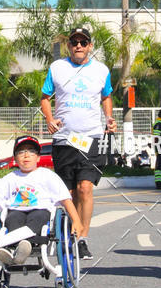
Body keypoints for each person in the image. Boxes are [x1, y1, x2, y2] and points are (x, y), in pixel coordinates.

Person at [40, 26, 116, 260]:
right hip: (65, 139)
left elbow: (106, 97)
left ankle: (82, 238)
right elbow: (45, 98)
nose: (79, 46)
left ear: (90, 46)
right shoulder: (57, 68)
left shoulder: (101, 71)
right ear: (69, 46)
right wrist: (50, 119)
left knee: (85, 188)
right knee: (69, 192)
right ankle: (70, 232)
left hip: (91, 137)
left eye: (83, 42)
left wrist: (109, 118)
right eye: (74, 42)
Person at [0, 135, 83, 265]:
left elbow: (65, 199)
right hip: (16, 210)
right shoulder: (10, 178)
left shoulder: (47, 175)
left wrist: (76, 220)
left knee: (38, 217)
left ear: (38, 157)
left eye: (31, 151)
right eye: (21, 152)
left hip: (41, 210)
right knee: (12, 219)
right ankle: (17, 248)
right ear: (15, 158)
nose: (26, 155)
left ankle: (21, 244)